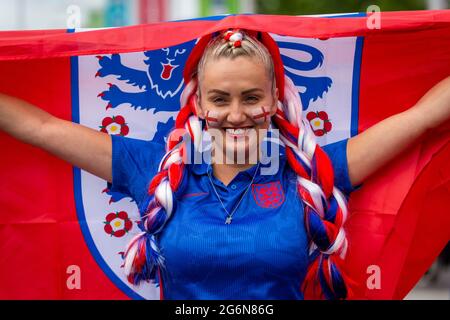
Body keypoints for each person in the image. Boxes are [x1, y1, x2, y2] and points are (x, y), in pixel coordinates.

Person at [0, 29, 449, 300]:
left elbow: (422, 118)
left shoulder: (314, 170)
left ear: (275, 99)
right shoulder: (150, 165)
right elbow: (41, 127)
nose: (236, 114)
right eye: (220, 99)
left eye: (252, 97)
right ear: (197, 102)